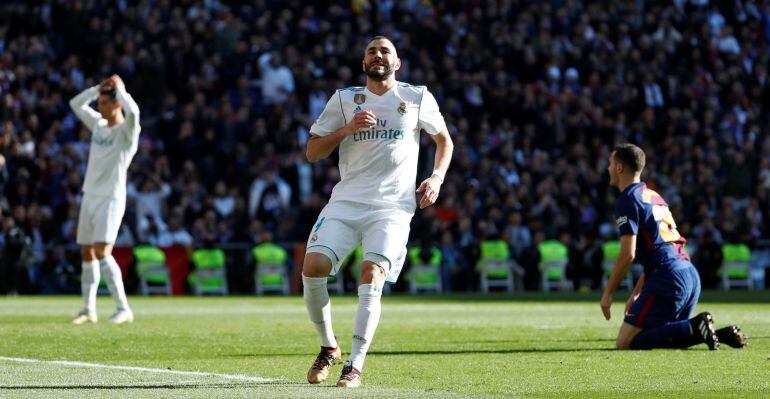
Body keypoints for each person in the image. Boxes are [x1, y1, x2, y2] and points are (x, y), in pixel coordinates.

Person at [301, 35, 453, 388]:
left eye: (385, 51)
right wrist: (347, 128)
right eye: (371, 51)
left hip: (392, 207)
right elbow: (313, 152)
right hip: (346, 202)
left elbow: (444, 140)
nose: (378, 55)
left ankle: (354, 366)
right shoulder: (344, 100)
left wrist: (436, 178)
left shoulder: (416, 97)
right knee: (312, 268)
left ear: (396, 63)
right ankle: (328, 346)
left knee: (371, 274)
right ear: (364, 62)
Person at [601, 144, 746, 350]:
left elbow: (628, 254)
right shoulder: (653, 196)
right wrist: (636, 293)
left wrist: (608, 293)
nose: (607, 168)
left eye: (610, 163)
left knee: (625, 342)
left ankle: (696, 326)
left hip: (667, 278)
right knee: (669, 333)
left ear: (619, 168)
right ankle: (715, 333)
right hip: (688, 274)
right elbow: (661, 247)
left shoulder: (627, 199)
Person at [69, 75, 140, 324]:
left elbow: (135, 112)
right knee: (87, 252)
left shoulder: (126, 132)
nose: (100, 106)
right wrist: (95, 90)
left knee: (102, 251)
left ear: (117, 104)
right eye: (99, 102)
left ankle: (123, 308)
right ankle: (89, 309)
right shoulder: (98, 125)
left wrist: (120, 90)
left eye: (105, 102)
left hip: (111, 197)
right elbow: (76, 105)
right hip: (90, 195)